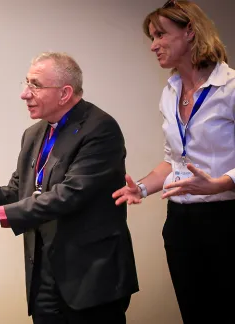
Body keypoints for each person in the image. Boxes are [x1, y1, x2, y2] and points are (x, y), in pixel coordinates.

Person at [0, 52, 138, 324]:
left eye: (35, 85)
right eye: (26, 83)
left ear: (64, 93)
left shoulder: (100, 129)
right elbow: (18, 192)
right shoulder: (34, 134)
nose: (25, 94)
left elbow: (68, 195)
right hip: (43, 275)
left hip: (91, 277)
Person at [112, 1, 235, 323]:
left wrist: (221, 182)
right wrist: (141, 187)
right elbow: (174, 161)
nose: (153, 45)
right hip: (180, 220)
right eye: (152, 37)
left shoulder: (231, 87)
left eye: (161, 35)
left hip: (225, 217)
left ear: (190, 31)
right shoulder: (171, 91)